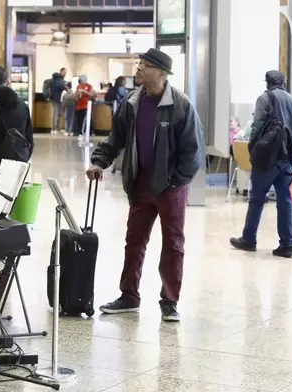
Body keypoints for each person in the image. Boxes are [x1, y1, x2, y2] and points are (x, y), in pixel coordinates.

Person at [85, 48, 205, 322]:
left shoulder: (180, 105)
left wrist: (176, 181)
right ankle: (129, 296)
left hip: (169, 188)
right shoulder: (131, 102)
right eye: (140, 64)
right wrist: (99, 162)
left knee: (173, 244)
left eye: (146, 65)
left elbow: (192, 150)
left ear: (162, 73)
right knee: (134, 242)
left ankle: (169, 301)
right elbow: (115, 139)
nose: (139, 69)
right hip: (140, 184)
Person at [230, 71, 292, 258]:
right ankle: (287, 245)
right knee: (284, 199)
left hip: (268, 158)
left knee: (257, 199)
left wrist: (253, 149)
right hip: (288, 159)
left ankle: (249, 239)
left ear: (267, 83)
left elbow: (257, 125)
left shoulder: (266, 97)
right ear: (283, 82)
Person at [51, 68, 68, 133]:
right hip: (56, 99)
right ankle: (55, 128)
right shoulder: (60, 80)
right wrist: (69, 90)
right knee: (56, 113)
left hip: (55, 98)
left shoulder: (55, 79)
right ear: (61, 72)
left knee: (57, 113)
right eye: (65, 72)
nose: (65, 74)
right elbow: (65, 88)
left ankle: (55, 128)